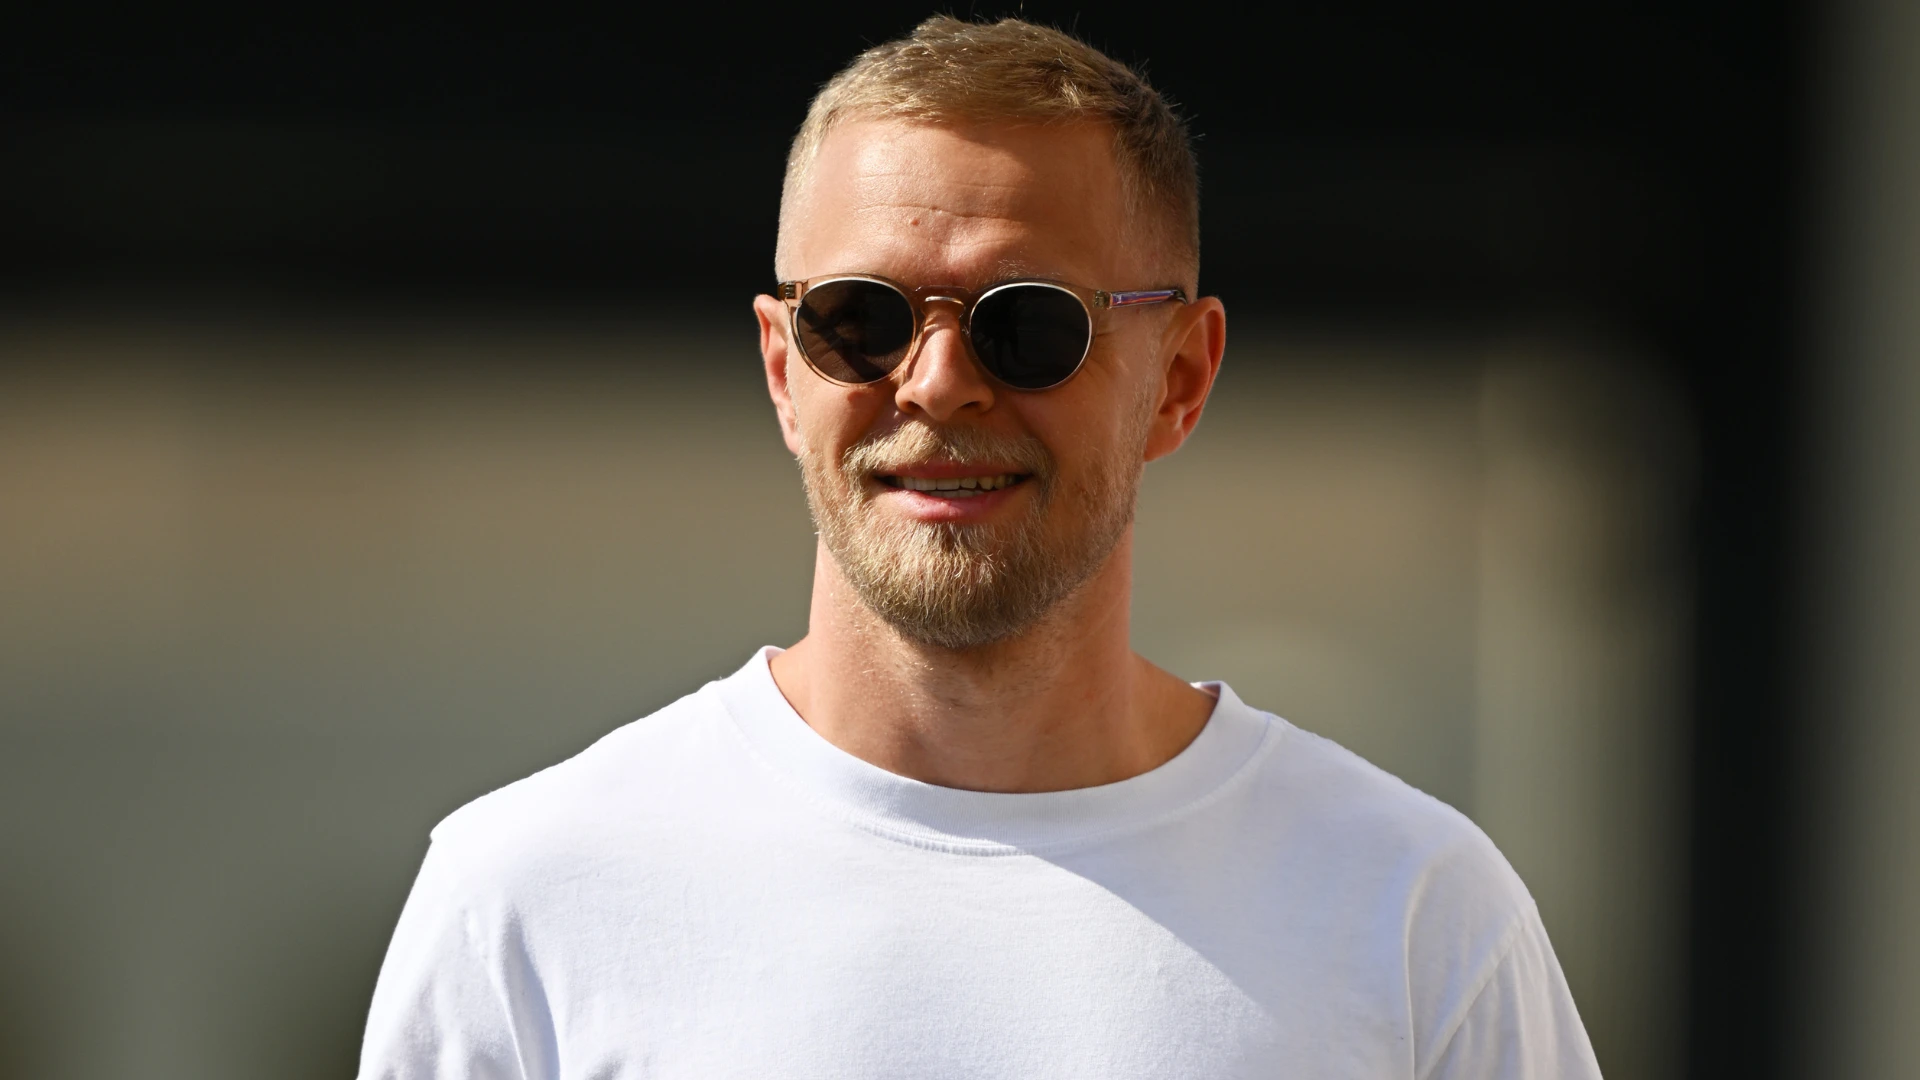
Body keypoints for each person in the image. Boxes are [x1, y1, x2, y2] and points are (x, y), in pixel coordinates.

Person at [358, 15, 1601, 1079]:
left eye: (1027, 325)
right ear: (784, 369)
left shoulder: (1411, 916)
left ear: (1181, 376)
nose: (939, 384)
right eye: (861, 319)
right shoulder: (526, 898)